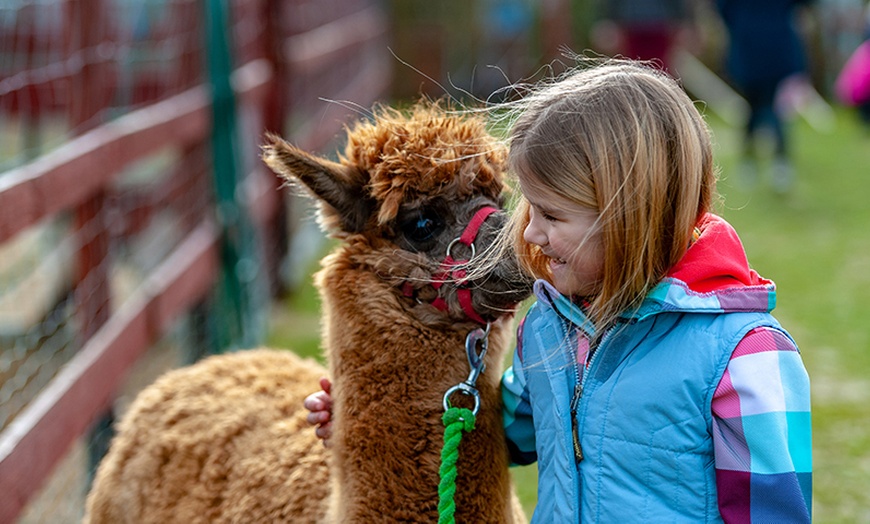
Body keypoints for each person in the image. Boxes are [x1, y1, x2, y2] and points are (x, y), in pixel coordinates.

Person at [304, 60, 812, 522]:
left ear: (628, 213)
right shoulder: (550, 329)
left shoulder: (744, 359)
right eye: (527, 209)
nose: (525, 234)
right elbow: (502, 437)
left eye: (550, 215)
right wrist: (372, 423)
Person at [715, 0, 816, 192]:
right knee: (767, 106)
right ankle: (775, 161)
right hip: (771, 44)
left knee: (759, 106)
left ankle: (756, 161)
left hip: (751, 43)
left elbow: (723, 9)